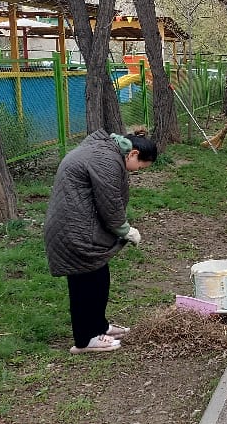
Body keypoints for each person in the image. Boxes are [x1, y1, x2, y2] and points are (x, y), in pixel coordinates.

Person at [45, 129, 157, 354]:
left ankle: (99, 326)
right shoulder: (106, 160)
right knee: (84, 284)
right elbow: (110, 203)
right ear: (133, 153)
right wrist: (126, 231)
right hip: (73, 229)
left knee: (98, 277)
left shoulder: (106, 151)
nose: (137, 172)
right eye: (141, 167)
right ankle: (85, 340)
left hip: (78, 224)